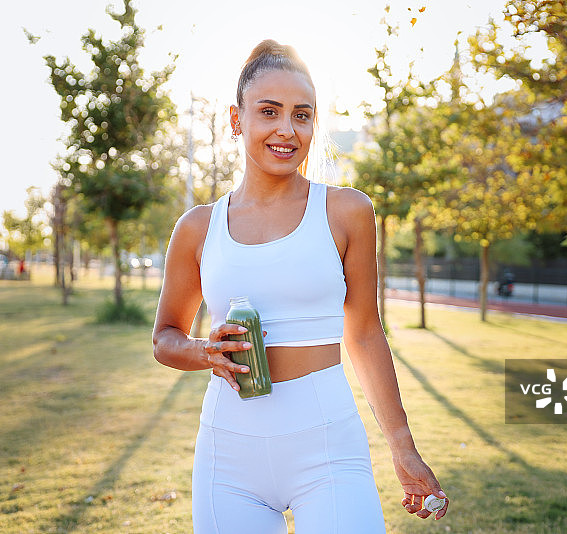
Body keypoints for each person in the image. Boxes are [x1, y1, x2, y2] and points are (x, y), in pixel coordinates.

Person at [152, 39, 448, 534]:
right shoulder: (197, 227)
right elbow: (165, 338)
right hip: (228, 451)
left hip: (328, 444)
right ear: (235, 119)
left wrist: (402, 447)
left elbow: (365, 333)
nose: (286, 130)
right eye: (269, 112)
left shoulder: (347, 211)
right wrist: (205, 351)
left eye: (302, 115)